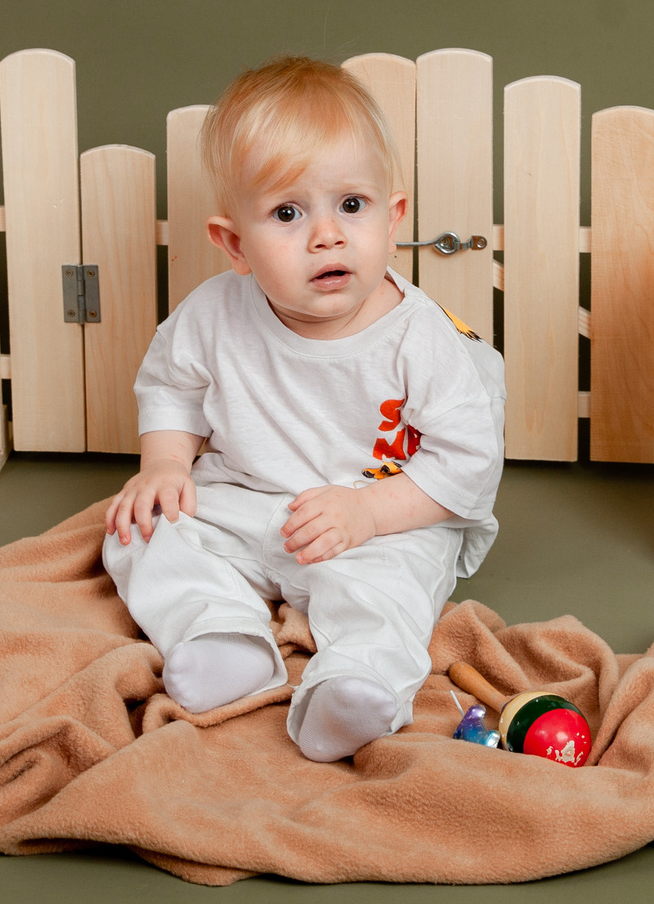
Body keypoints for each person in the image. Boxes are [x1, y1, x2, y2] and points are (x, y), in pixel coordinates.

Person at [103, 56, 507, 761]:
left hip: (380, 515)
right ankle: (219, 634)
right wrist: (163, 464)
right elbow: (172, 384)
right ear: (234, 243)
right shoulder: (213, 314)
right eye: (288, 213)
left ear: (393, 214)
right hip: (246, 501)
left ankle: (356, 687)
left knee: (389, 591)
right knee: (140, 531)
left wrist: (369, 515)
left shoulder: (422, 338)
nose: (327, 234)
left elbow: (468, 462)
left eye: (352, 205)